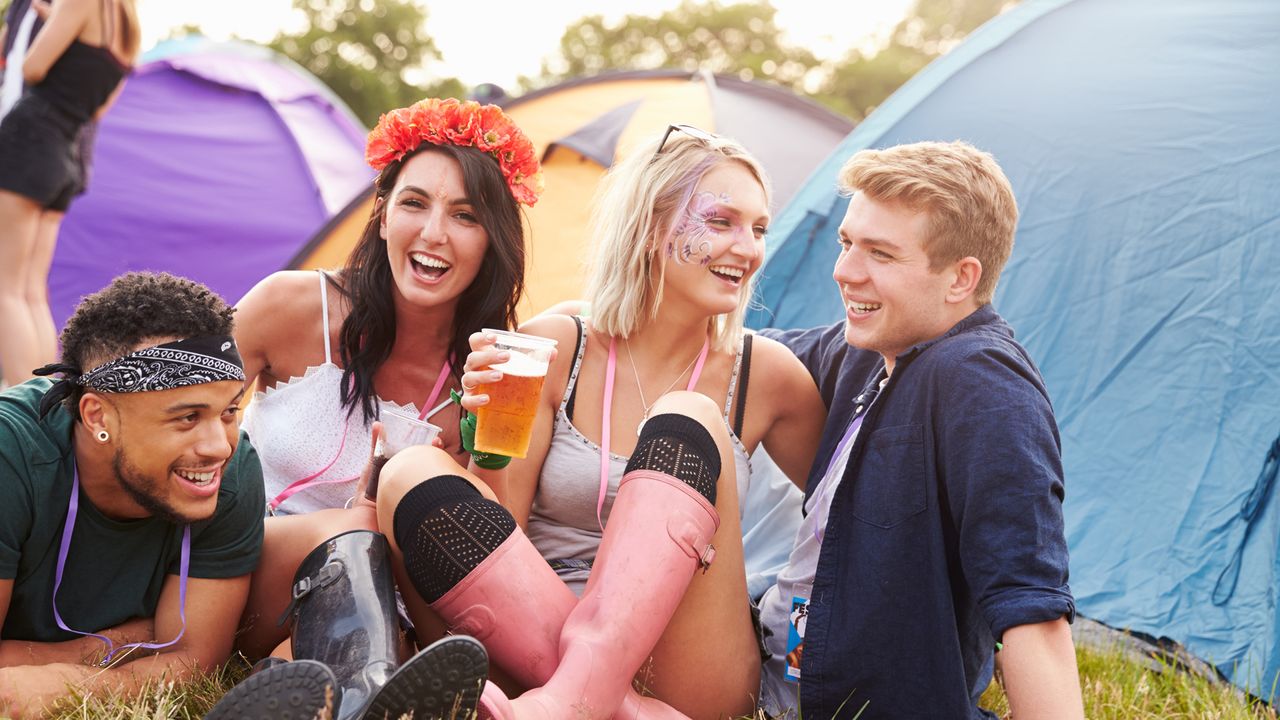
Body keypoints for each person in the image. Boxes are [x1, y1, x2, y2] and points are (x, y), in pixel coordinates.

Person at [373, 124, 828, 719]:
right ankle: (611, 708)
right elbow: (501, 536)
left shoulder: (768, 376)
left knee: (687, 415)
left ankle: (567, 703)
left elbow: (848, 514)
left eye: (758, 228)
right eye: (721, 222)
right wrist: (485, 448)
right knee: (408, 472)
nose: (748, 248)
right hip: (531, 634)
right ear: (648, 227)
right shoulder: (557, 346)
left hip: (687, 660)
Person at [206, 97, 538, 720]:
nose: (433, 233)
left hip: (382, 607)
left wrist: (490, 437)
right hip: (243, 570)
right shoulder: (291, 306)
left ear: (492, 239)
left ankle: (329, 694)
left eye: (465, 215)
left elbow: (490, 556)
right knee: (350, 531)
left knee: (309, 669)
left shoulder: (493, 375)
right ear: (383, 216)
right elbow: (184, 417)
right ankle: (366, 682)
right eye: (414, 203)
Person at [756, 141, 1084, 719]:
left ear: (960, 279)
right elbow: (743, 357)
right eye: (846, 242)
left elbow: (1029, 601)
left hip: (842, 702)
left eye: (880, 254)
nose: (844, 271)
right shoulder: (870, 347)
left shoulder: (983, 383)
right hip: (770, 656)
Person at [0, 272, 264, 719]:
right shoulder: (13, 455)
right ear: (98, 414)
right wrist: (129, 640)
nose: (219, 445)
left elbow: (196, 659)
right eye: (186, 418)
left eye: (228, 412)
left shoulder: (231, 472)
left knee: (333, 536)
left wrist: (69, 682)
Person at [0, 0, 139, 388]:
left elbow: (32, 67)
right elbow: (97, 110)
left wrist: (52, 23)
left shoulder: (79, 3)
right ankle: (43, 398)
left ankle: (19, 405)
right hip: (66, 154)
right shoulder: (129, 31)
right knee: (30, 289)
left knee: (6, 287)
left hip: (30, 138)